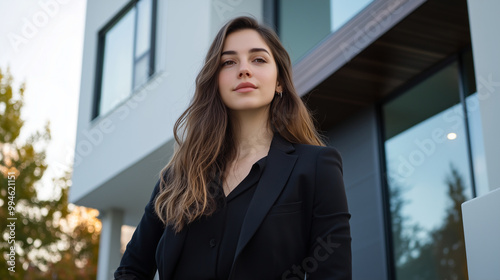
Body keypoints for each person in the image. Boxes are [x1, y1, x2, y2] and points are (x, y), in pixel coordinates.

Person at [114, 16, 351, 280]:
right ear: (216, 81)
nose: (244, 69)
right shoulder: (176, 179)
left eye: (258, 59)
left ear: (280, 81)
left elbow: (333, 274)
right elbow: (130, 271)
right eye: (229, 62)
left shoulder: (317, 167)